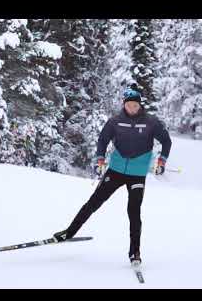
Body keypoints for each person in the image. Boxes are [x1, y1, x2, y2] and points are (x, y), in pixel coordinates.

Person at [52, 88, 172, 264]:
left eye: (135, 105)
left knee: (134, 212)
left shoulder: (151, 122)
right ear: (124, 105)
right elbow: (102, 140)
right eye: (129, 104)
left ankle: (135, 253)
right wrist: (100, 159)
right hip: (115, 171)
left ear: (140, 105)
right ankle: (68, 233)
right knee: (93, 203)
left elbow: (166, 141)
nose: (132, 107)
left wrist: (162, 161)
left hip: (137, 174)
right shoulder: (115, 122)